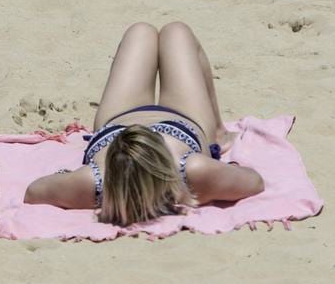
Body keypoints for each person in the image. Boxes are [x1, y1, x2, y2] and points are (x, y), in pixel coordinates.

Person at [24, 22, 263, 226]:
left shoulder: (91, 184)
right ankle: (220, 132)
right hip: (180, 121)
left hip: (119, 121)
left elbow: (33, 191)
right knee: (176, 32)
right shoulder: (193, 173)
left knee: (141, 31)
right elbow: (254, 181)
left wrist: (65, 176)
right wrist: (222, 173)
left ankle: (215, 131)